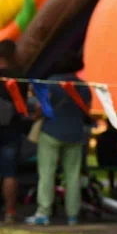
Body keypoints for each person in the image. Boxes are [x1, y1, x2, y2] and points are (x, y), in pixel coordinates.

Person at [28, 75, 91, 226]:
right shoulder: (83, 86)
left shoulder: (51, 81)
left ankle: (44, 212)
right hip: (75, 133)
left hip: (51, 132)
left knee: (47, 173)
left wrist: (34, 116)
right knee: (73, 175)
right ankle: (72, 215)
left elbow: (44, 107)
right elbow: (86, 111)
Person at [0, 82, 23, 223]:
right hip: (10, 132)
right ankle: (10, 212)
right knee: (10, 173)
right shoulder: (13, 81)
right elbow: (22, 109)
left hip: (10, 133)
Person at [94, 118, 117, 199]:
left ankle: (113, 187)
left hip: (104, 162)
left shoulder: (102, 135)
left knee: (115, 166)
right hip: (114, 161)